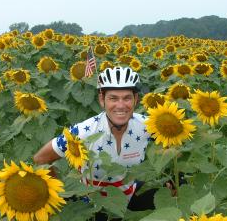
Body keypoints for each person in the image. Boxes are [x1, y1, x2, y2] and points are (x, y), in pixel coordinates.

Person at [33, 66, 155, 220]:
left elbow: (171, 141)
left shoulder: (147, 125)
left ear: (136, 99)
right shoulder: (84, 132)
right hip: (92, 204)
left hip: (129, 195)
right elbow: (41, 158)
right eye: (113, 98)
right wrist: (56, 193)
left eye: (127, 98)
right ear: (102, 100)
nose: (121, 105)